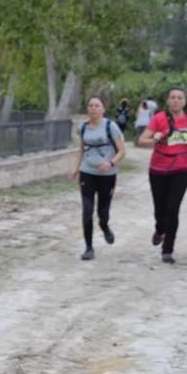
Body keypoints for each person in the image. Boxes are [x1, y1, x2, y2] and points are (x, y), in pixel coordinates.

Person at [137, 87, 187, 264]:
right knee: (160, 210)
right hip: (158, 170)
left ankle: (167, 249)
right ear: (168, 101)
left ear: (184, 101)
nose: (176, 100)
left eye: (179, 97)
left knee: (173, 208)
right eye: (172, 97)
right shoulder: (159, 119)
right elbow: (141, 140)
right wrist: (154, 138)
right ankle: (160, 228)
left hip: (181, 169)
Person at [71, 96, 126, 261]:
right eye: (90, 105)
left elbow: (122, 151)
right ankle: (89, 248)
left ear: (103, 109)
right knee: (87, 211)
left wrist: (110, 163)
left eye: (97, 105)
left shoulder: (111, 126)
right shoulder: (83, 128)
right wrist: (76, 168)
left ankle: (105, 227)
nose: (93, 108)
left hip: (107, 175)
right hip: (87, 172)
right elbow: (82, 149)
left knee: (103, 212)